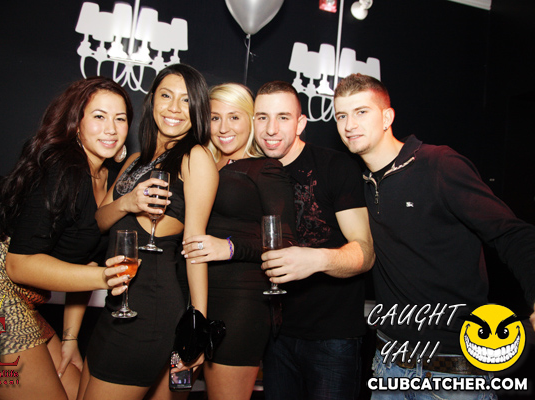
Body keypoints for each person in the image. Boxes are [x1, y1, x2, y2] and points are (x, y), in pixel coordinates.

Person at [333, 73, 535, 399]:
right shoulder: (359, 183)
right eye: (341, 115)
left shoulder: (438, 165)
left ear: (387, 117)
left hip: (453, 369)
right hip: (389, 365)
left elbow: (510, 233)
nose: (349, 124)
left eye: (361, 112)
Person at [0, 76, 136, 400]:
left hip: (18, 298)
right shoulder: (62, 167)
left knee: (79, 391)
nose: (111, 129)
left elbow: (84, 263)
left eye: (120, 118)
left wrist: (70, 339)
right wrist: (106, 277)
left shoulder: (111, 178)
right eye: (99, 116)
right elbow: (19, 265)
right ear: (76, 123)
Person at [79, 64, 218, 400]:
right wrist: (128, 202)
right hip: (115, 306)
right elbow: (100, 221)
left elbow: (195, 247)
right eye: (166, 96)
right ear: (152, 99)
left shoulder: (195, 157)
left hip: (151, 309)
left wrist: (197, 327)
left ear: (198, 109)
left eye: (186, 100)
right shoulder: (134, 160)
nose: (174, 108)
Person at [253, 81, 375, 400]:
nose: (271, 129)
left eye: (283, 117)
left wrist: (316, 260)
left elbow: (365, 251)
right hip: (274, 336)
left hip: (332, 338)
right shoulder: (251, 173)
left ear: (300, 123)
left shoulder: (336, 166)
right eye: (262, 117)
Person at [181, 83, 297, 399]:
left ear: (250, 120)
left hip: (239, 303)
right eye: (214, 117)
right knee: (170, 390)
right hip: (188, 296)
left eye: (234, 117)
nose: (223, 127)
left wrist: (229, 247)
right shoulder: (200, 162)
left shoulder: (264, 169)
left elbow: (286, 242)